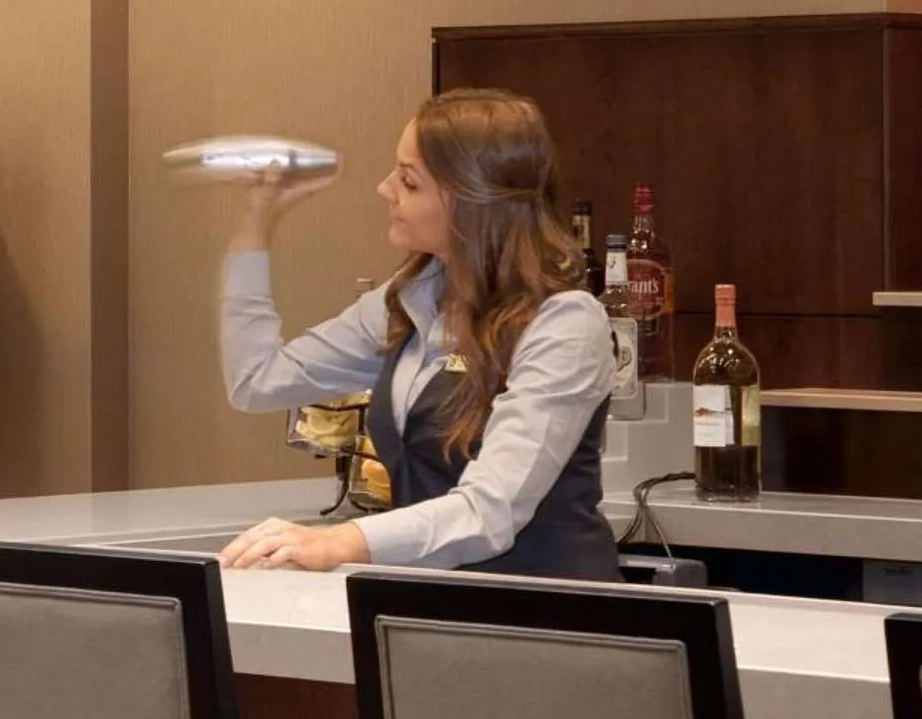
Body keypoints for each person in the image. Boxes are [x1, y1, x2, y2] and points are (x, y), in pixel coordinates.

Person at [215, 88, 620, 581]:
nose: (384, 189)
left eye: (408, 181)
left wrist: (340, 541)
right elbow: (258, 381)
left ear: (470, 202)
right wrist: (251, 229)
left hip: (548, 617)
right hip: (430, 607)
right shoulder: (410, 300)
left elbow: (489, 513)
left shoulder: (565, 325)